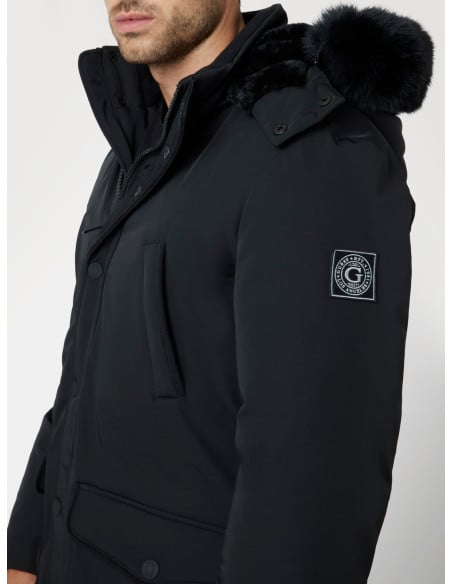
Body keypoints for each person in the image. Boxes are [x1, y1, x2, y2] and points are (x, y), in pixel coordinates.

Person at [7, 1, 434, 583]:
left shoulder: (312, 151)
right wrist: (28, 548)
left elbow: (316, 473)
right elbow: (78, 375)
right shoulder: (140, 144)